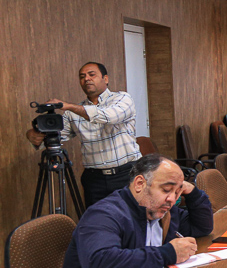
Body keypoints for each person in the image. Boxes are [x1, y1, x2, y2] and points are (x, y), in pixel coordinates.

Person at [56, 154, 213, 268]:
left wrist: (192, 193)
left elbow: (201, 227)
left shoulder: (163, 212)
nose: (172, 199)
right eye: (166, 190)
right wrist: (167, 254)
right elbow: (99, 264)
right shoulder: (104, 214)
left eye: (177, 192)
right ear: (139, 184)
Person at [25, 62, 142, 207]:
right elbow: (52, 138)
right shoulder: (73, 113)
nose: (86, 79)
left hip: (127, 174)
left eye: (92, 75)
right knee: (96, 219)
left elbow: (109, 116)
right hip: (94, 179)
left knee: (134, 217)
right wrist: (35, 135)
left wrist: (68, 106)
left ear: (105, 79)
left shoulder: (122, 98)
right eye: (82, 76)